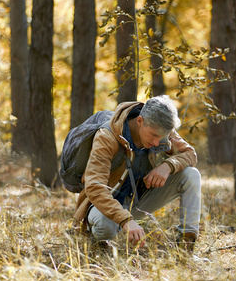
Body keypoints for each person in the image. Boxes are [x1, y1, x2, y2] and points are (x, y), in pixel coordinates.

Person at [73, 95, 201, 250]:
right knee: (105, 226)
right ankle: (98, 244)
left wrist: (168, 165)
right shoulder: (107, 136)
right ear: (140, 121)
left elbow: (190, 154)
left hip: (137, 200)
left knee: (191, 175)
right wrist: (125, 220)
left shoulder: (161, 128)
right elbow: (94, 186)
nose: (156, 142)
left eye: (161, 137)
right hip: (104, 205)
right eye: (153, 135)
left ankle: (186, 244)